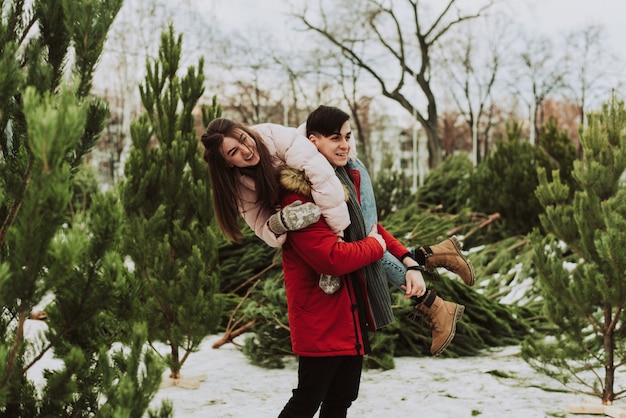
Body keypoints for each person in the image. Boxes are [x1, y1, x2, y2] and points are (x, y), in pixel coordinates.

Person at [201, 116, 471, 354]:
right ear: (227, 163)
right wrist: (281, 221)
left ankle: (433, 300)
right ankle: (435, 257)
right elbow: (262, 226)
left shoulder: (274, 138)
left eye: (245, 139)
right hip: (324, 178)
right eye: (235, 151)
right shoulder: (239, 186)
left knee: (363, 238)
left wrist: (338, 237)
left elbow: (321, 180)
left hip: (341, 168)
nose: (247, 150)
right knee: (367, 235)